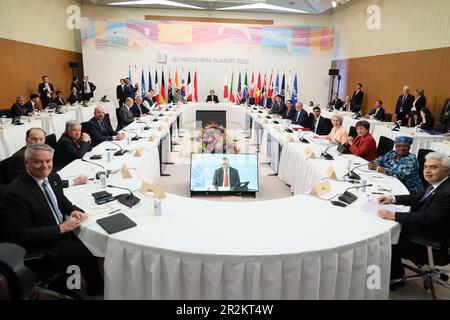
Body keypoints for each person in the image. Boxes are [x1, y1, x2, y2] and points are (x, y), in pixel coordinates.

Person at [0, 143, 104, 297]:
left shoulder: (53, 178)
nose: (44, 166)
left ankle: (82, 279)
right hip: (41, 245)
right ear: (26, 163)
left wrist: (73, 210)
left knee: (92, 239)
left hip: (58, 229)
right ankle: (95, 290)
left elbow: (62, 201)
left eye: (48, 161)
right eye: (38, 162)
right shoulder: (15, 193)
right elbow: (19, 235)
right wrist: (61, 228)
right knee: (85, 249)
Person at [377, 152, 450, 285]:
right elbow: (416, 197)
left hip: (431, 240)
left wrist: (394, 215)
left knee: (386, 236)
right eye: (425, 167)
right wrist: (392, 199)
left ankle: (395, 278)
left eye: (433, 167)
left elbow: (427, 218)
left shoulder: (447, 192)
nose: (427, 171)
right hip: (428, 228)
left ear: (447, 171)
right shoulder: (437, 183)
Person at [6, 128, 88, 187]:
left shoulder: (42, 153)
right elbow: (36, 184)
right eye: (34, 139)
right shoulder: (19, 159)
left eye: (41, 139)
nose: (38, 142)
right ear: (26, 140)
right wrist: (73, 182)